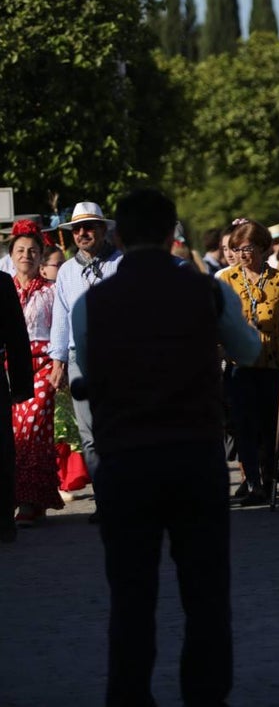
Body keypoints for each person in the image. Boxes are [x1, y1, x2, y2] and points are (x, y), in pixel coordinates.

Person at [73, 188, 260, 707]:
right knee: (204, 593)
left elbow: (91, 366)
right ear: (171, 231)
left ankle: (129, 695)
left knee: (131, 595)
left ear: (118, 236)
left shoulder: (92, 304)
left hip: (126, 458)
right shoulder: (206, 292)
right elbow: (248, 349)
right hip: (193, 456)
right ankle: (204, 695)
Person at [47, 202, 123, 522]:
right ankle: (105, 500)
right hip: (80, 358)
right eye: (77, 229)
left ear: (104, 230)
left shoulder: (121, 264)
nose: (82, 233)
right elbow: (61, 318)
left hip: (117, 357)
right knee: (89, 433)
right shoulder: (66, 270)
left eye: (89, 227)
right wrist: (58, 360)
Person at [220, 220, 279, 506]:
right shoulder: (227, 280)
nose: (242, 254)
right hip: (240, 364)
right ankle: (253, 484)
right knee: (244, 426)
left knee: (270, 426)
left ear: (262, 247)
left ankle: (271, 477)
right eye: (237, 249)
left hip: (271, 363)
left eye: (247, 248)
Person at [8, 221, 63, 526]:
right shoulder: (5, 289)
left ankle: (29, 500)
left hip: (42, 367)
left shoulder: (52, 292)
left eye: (32, 250)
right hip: (11, 368)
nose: (26, 255)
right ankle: (28, 496)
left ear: (42, 256)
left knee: (33, 426)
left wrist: (59, 363)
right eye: (20, 250)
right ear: (11, 255)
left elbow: (60, 329)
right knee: (16, 433)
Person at [0, 267, 33, 544]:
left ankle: (3, 520)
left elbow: (16, 335)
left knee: (1, 449)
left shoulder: (1, 283)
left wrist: (21, 385)